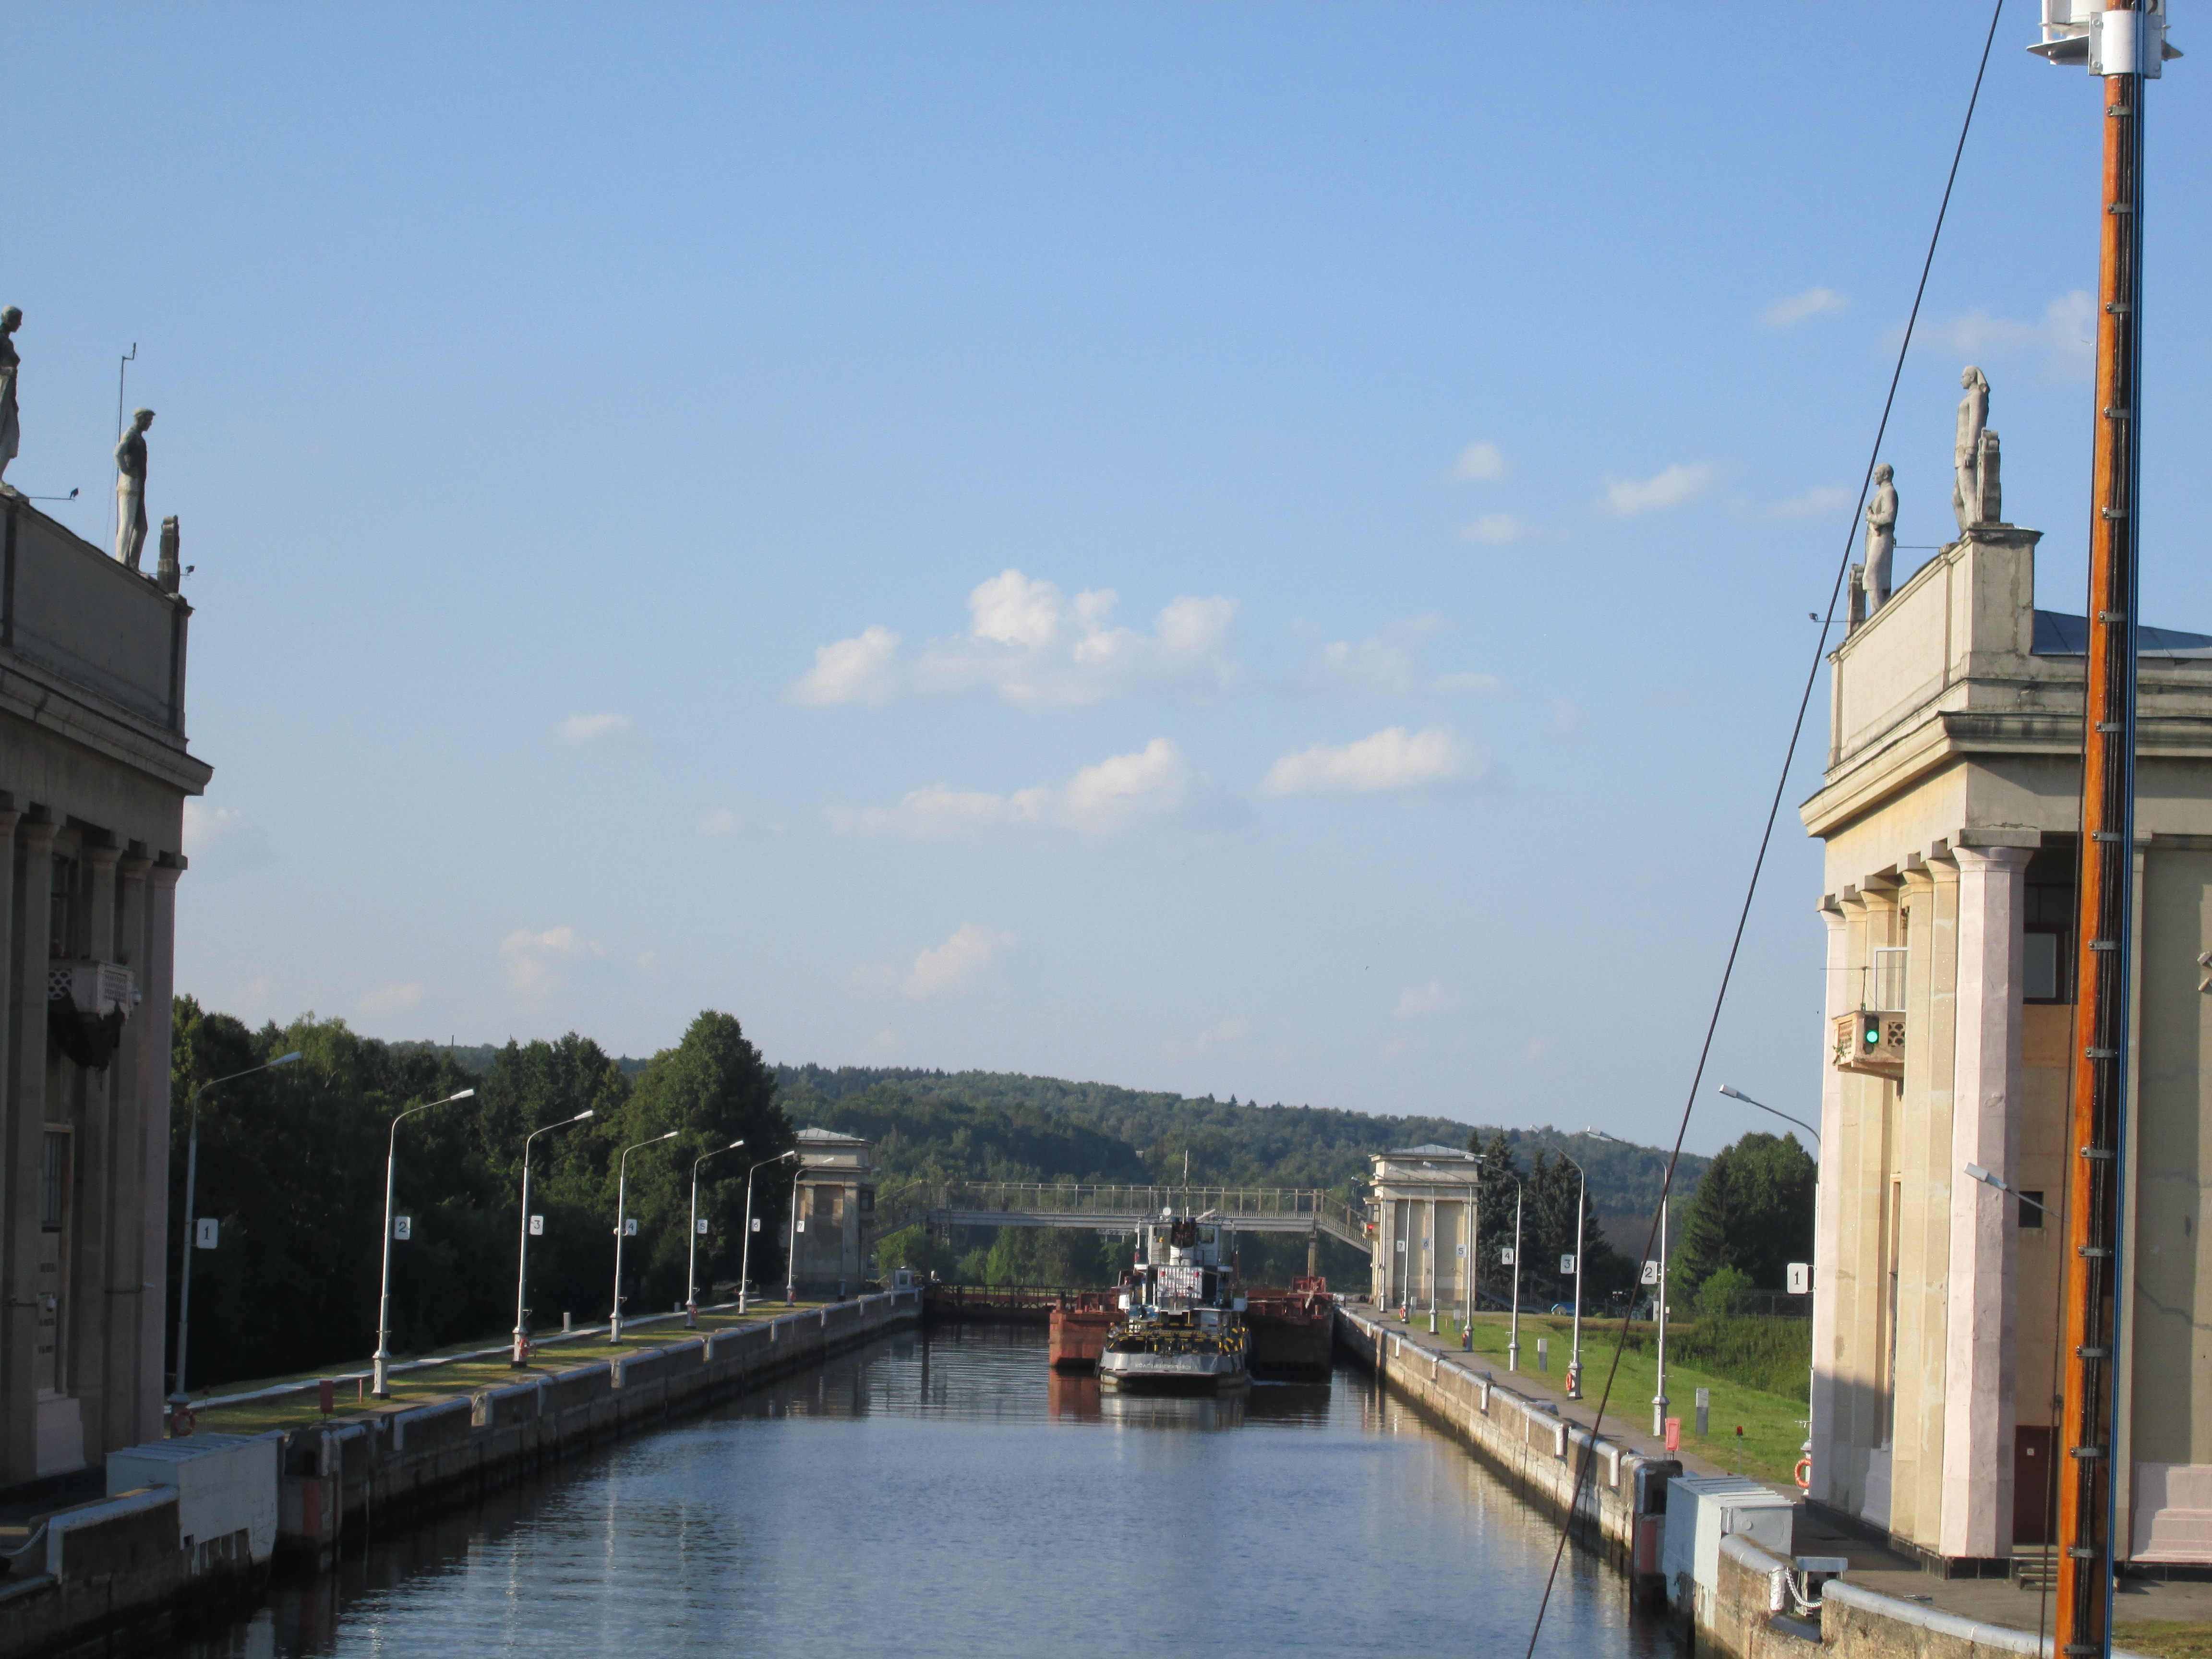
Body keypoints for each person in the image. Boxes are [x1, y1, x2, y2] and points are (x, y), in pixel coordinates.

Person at [115, 406, 155, 569]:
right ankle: (121, 561)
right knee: (127, 522)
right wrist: (125, 469)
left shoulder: (140, 439)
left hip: (138, 485)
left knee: (141, 527)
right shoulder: (131, 435)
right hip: (129, 483)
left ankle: (132, 563)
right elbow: (118, 452)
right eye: (148, 420)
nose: (150, 424)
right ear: (141, 419)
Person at [1864, 464, 1898, 611]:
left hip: (1882, 537)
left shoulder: (1889, 492)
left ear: (1885, 475)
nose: (1874, 476)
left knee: (1871, 578)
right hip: (1875, 538)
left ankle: (1878, 614)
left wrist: (1871, 517)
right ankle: (1878, 612)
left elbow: (1889, 517)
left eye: (1877, 473)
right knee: (1873, 579)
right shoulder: (1882, 493)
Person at [0, 307, 20, 489]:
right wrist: (6, 371)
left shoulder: (7, 341)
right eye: (18, 320)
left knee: (11, 437)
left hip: (8, 396)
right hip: (1, 392)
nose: (20, 324)